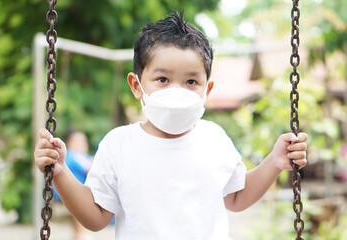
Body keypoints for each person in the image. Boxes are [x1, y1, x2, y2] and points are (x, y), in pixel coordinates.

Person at [34, 12, 308, 240]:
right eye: (163, 79)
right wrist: (59, 171)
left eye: (191, 82)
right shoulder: (119, 145)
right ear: (136, 86)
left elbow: (237, 197)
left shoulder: (214, 139)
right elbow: (95, 217)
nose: (177, 91)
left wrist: (275, 161)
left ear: (206, 89)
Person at [52, 130, 94, 240]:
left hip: (76, 191)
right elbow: (90, 167)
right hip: (66, 193)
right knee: (81, 204)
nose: (81, 144)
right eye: (77, 141)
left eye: (83, 141)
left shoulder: (82, 156)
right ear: (69, 143)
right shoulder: (72, 155)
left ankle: (78, 234)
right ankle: (81, 234)